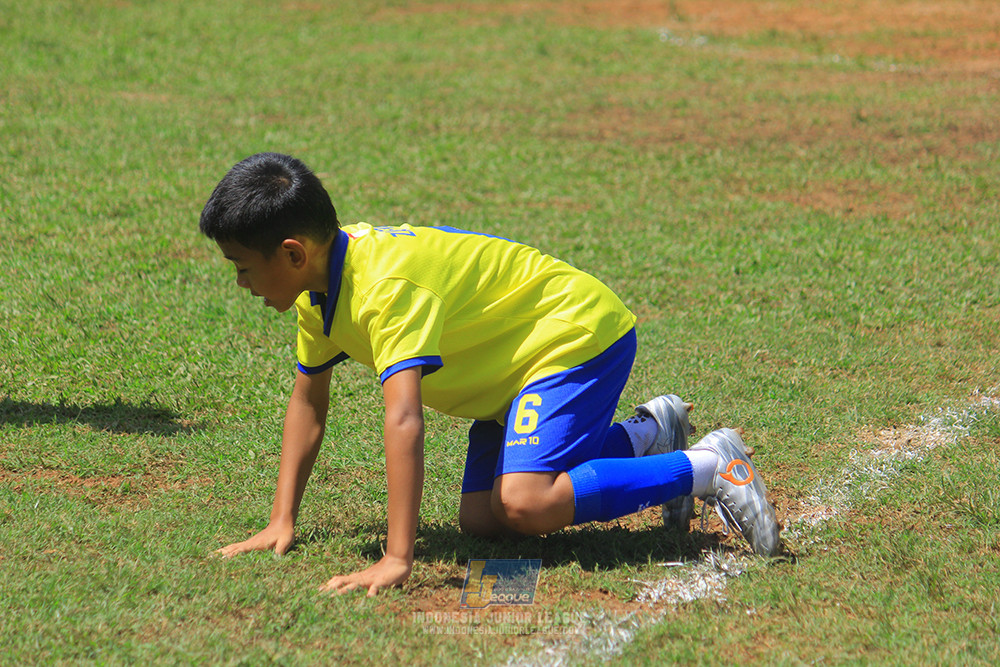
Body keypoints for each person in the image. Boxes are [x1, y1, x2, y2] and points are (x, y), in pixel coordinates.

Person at [200, 152, 781, 597]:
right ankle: (648, 433)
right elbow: (309, 403)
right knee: (484, 520)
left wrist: (398, 556)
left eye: (244, 268)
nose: (241, 284)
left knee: (526, 503)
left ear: (294, 253)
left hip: (570, 334)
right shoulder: (319, 292)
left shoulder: (385, 289)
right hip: (509, 372)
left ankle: (711, 466)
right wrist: (282, 521)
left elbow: (403, 418)